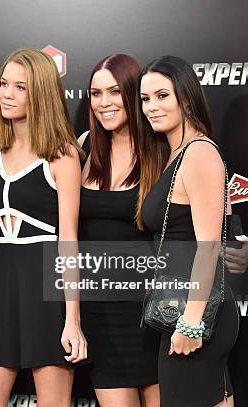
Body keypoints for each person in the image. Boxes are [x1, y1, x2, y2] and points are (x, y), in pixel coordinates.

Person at [0, 48, 87, 407]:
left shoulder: (62, 155)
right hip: (1, 280)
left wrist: (72, 320)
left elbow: (68, 240)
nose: (6, 93)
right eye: (4, 84)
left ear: (40, 94)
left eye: (20, 87)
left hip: (46, 282)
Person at [139, 55, 238, 406]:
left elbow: (209, 246)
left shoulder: (198, 153)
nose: (151, 106)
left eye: (162, 96)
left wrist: (192, 322)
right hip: (185, 310)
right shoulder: (176, 153)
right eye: (145, 99)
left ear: (186, 97)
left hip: (197, 315)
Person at [77, 54, 161, 407]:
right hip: (101, 318)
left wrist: (239, 238)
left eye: (114, 92)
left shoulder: (162, 150)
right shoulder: (83, 147)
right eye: (96, 93)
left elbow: (201, 216)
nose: (104, 103)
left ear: (133, 93)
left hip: (154, 315)